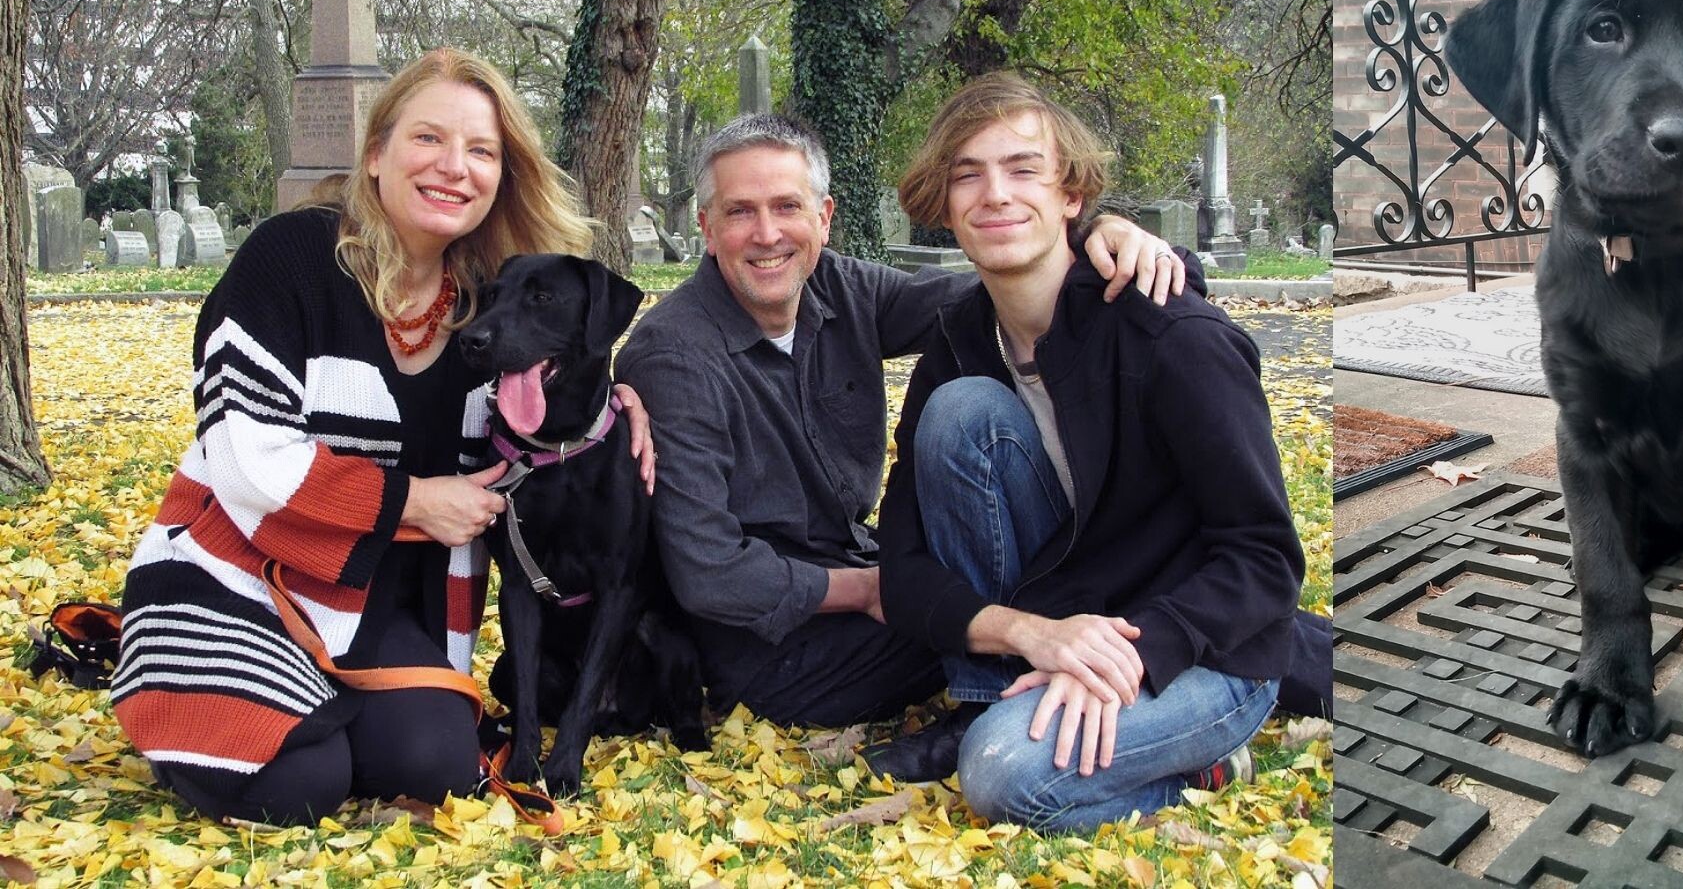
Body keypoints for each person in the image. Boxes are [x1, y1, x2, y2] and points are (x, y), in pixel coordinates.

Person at [109, 48, 654, 826]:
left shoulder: (482, 310)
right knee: (300, 786)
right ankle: (198, 697)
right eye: (428, 139)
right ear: (375, 155)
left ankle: (319, 711)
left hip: (367, 606)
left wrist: (616, 401)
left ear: (503, 175)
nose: (454, 168)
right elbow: (242, 453)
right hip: (240, 581)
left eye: (481, 151)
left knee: (436, 766)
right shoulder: (291, 259)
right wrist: (415, 503)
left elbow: (548, 405)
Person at [614, 114, 1185, 743]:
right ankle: (1033, 705)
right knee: (1012, 605)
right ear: (707, 227)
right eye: (741, 212)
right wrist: (867, 590)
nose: (767, 234)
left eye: (787, 206)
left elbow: (992, 291)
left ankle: (1167, 644)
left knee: (1031, 580)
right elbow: (711, 574)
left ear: (824, 218)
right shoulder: (674, 357)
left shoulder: (838, 288)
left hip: (866, 563)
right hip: (777, 647)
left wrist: (1103, 238)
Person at [875, 72, 1329, 832]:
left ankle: (1211, 760)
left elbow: (1265, 558)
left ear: (1072, 197)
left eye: (1023, 169)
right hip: (1062, 623)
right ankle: (984, 695)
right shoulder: (956, 343)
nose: (995, 194)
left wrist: (1132, 658)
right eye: (968, 175)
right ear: (944, 206)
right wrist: (1031, 636)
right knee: (962, 415)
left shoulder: (1173, 339)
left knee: (1000, 775)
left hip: (1202, 649)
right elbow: (903, 556)